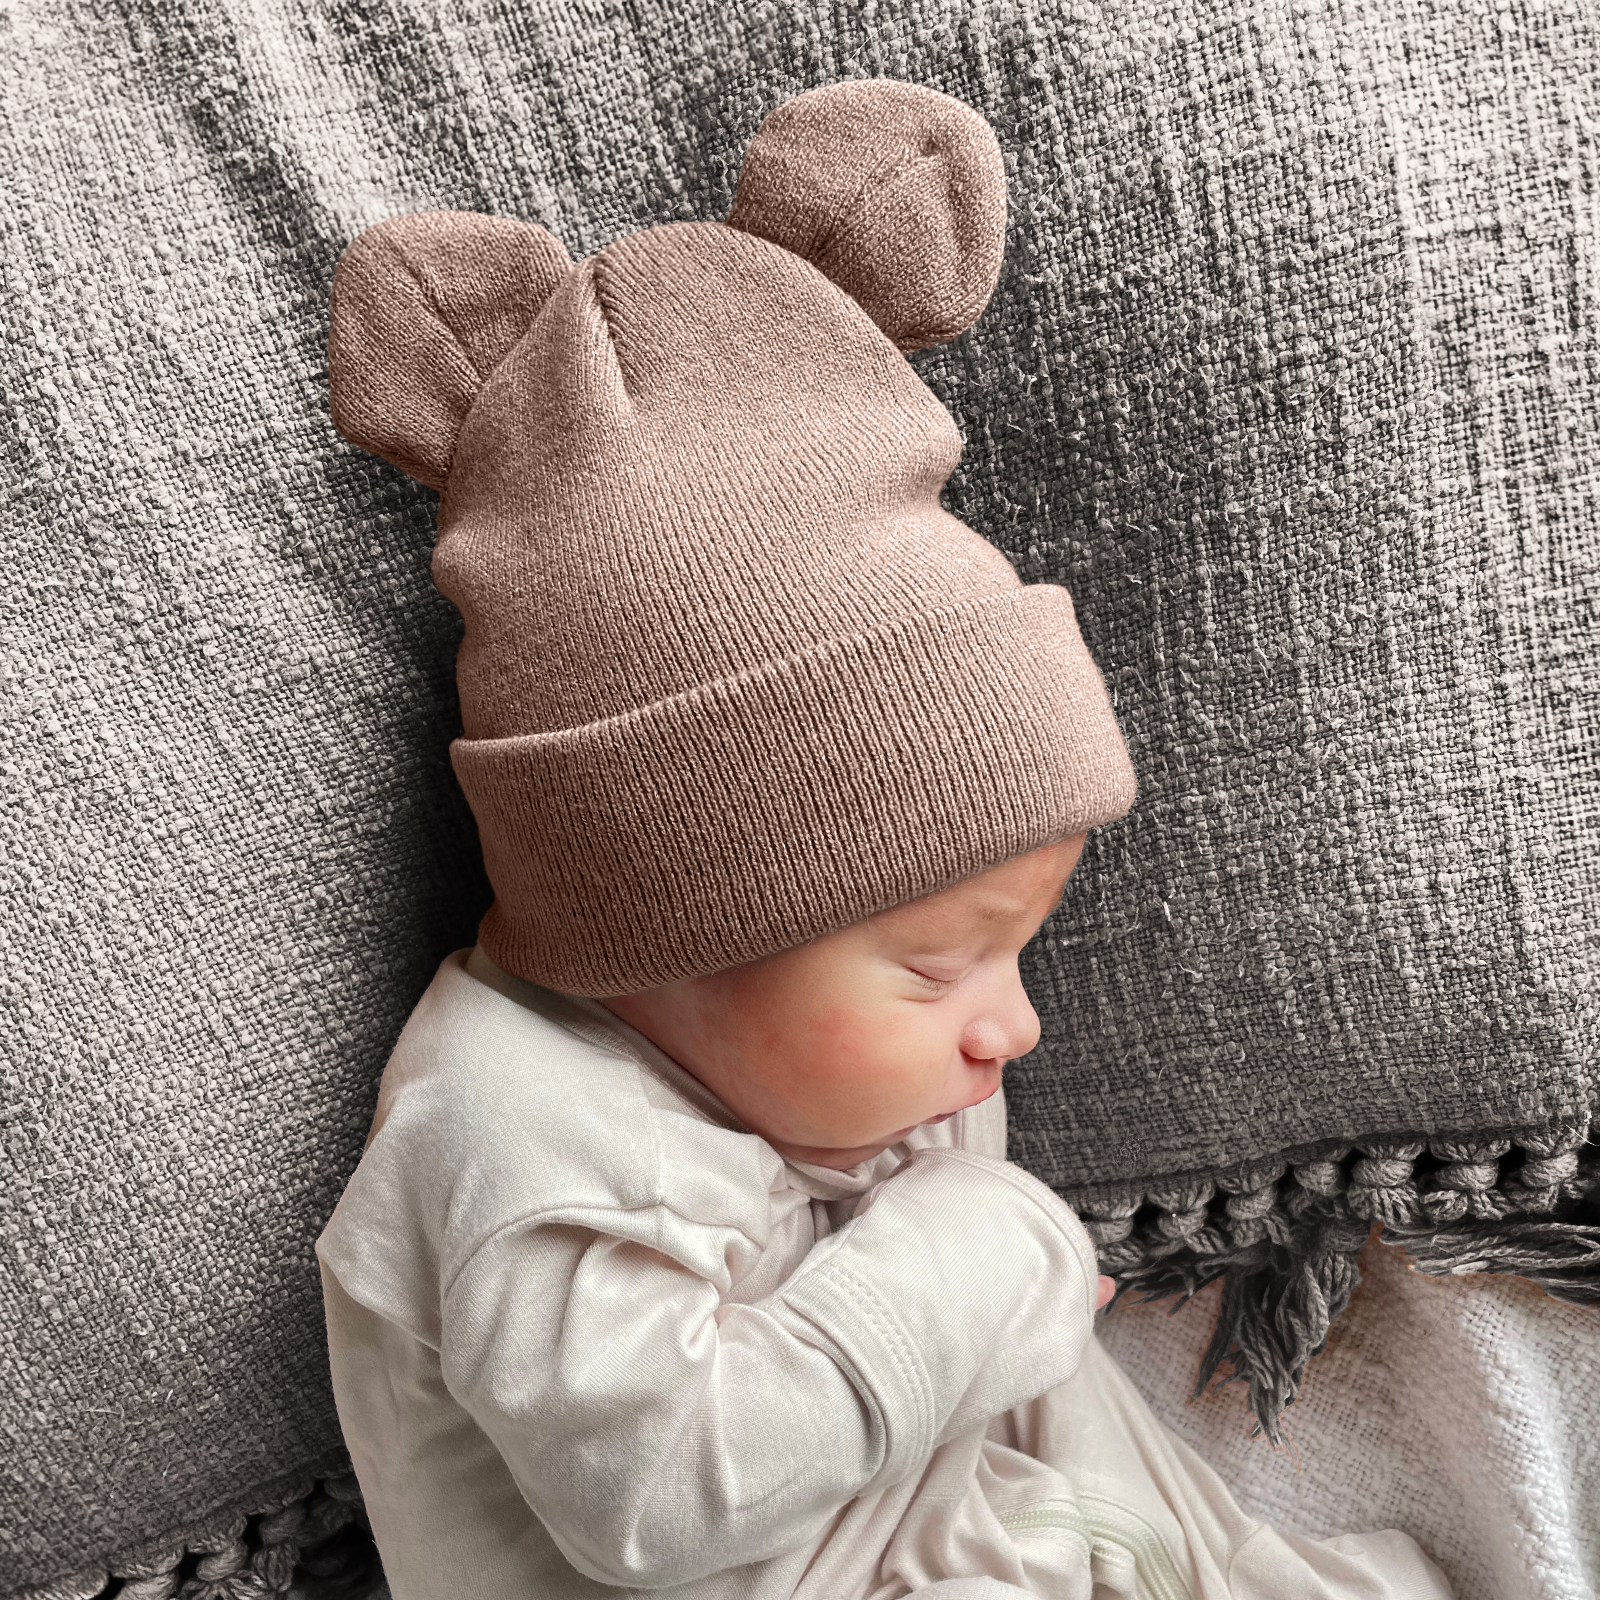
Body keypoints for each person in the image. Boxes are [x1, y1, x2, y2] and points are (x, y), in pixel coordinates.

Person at [314, 76, 1455, 1600]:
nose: (1016, 1026)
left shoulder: (778, 1055)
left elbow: (1025, 1377)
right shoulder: (517, 1146)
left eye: (1016, 948)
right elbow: (650, 1500)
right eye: (937, 967)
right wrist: (977, 1265)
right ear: (674, 922)